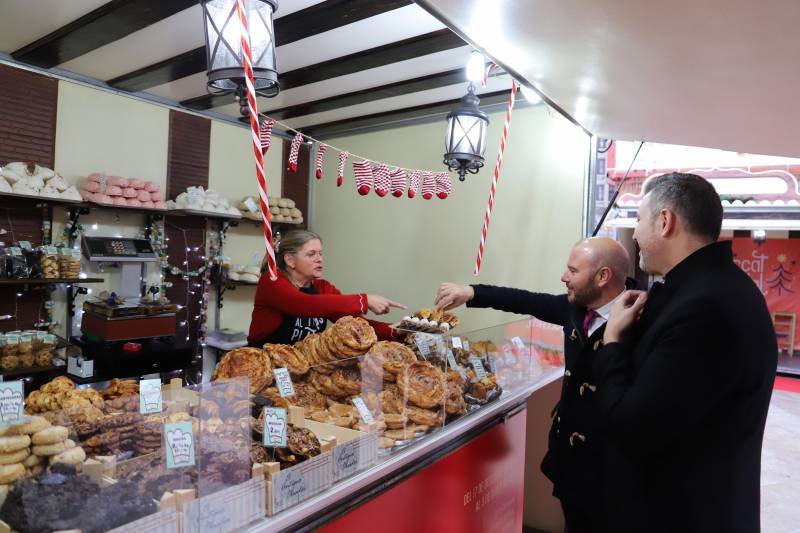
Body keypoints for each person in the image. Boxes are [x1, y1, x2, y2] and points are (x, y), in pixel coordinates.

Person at [596, 173, 777, 532]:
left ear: (665, 222)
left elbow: (631, 426)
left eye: (638, 220)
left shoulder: (705, 308)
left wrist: (614, 339)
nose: (634, 234)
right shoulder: (716, 287)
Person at [435, 237, 633, 532]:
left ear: (603, 276)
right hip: (571, 463)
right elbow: (525, 300)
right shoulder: (577, 307)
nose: (564, 277)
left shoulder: (641, 318)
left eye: (573, 271)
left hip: (611, 470)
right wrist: (472, 292)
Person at [248, 230, 405, 346]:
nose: (319, 259)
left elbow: (355, 325)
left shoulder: (322, 287)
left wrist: (397, 331)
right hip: (263, 366)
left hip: (301, 368)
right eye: (311, 254)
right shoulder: (272, 281)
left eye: (320, 253)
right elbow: (302, 304)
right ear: (290, 260)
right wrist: (365, 300)